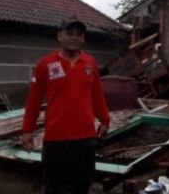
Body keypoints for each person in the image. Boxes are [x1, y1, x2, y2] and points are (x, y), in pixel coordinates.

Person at [21, 16, 111, 194]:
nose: (74, 37)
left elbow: (96, 94)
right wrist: (27, 130)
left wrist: (105, 119)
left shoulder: (90, 62)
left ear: (83, 38)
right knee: (55, 187)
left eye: (79, 34)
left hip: (85, 138)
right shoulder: (45, 64)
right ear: (59, 36)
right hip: (56, 139)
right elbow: (34, 99)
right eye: (69, 33)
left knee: (82, 185)